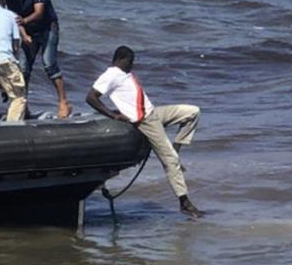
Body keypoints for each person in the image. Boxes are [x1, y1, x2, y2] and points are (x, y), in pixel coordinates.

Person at [87, 46, 204, 218]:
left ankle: (176, 148)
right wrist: (113, 115)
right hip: (145, 122)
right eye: (130, 61)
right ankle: (184, 202)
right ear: (120, 59)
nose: (132, 65)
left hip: (154, 113)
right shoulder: (111, 75)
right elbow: (91, 97)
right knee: (170, 160)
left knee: (192, 112)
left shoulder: (124, 74)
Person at [0, 0, 72, 118]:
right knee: (24, 69)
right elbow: (16, 20)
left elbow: (39, 13)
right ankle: (24, 106)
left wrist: (24, 21)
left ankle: (63, 102)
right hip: (28, 31)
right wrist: (24, 35)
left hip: (47, 28)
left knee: (49, 63)